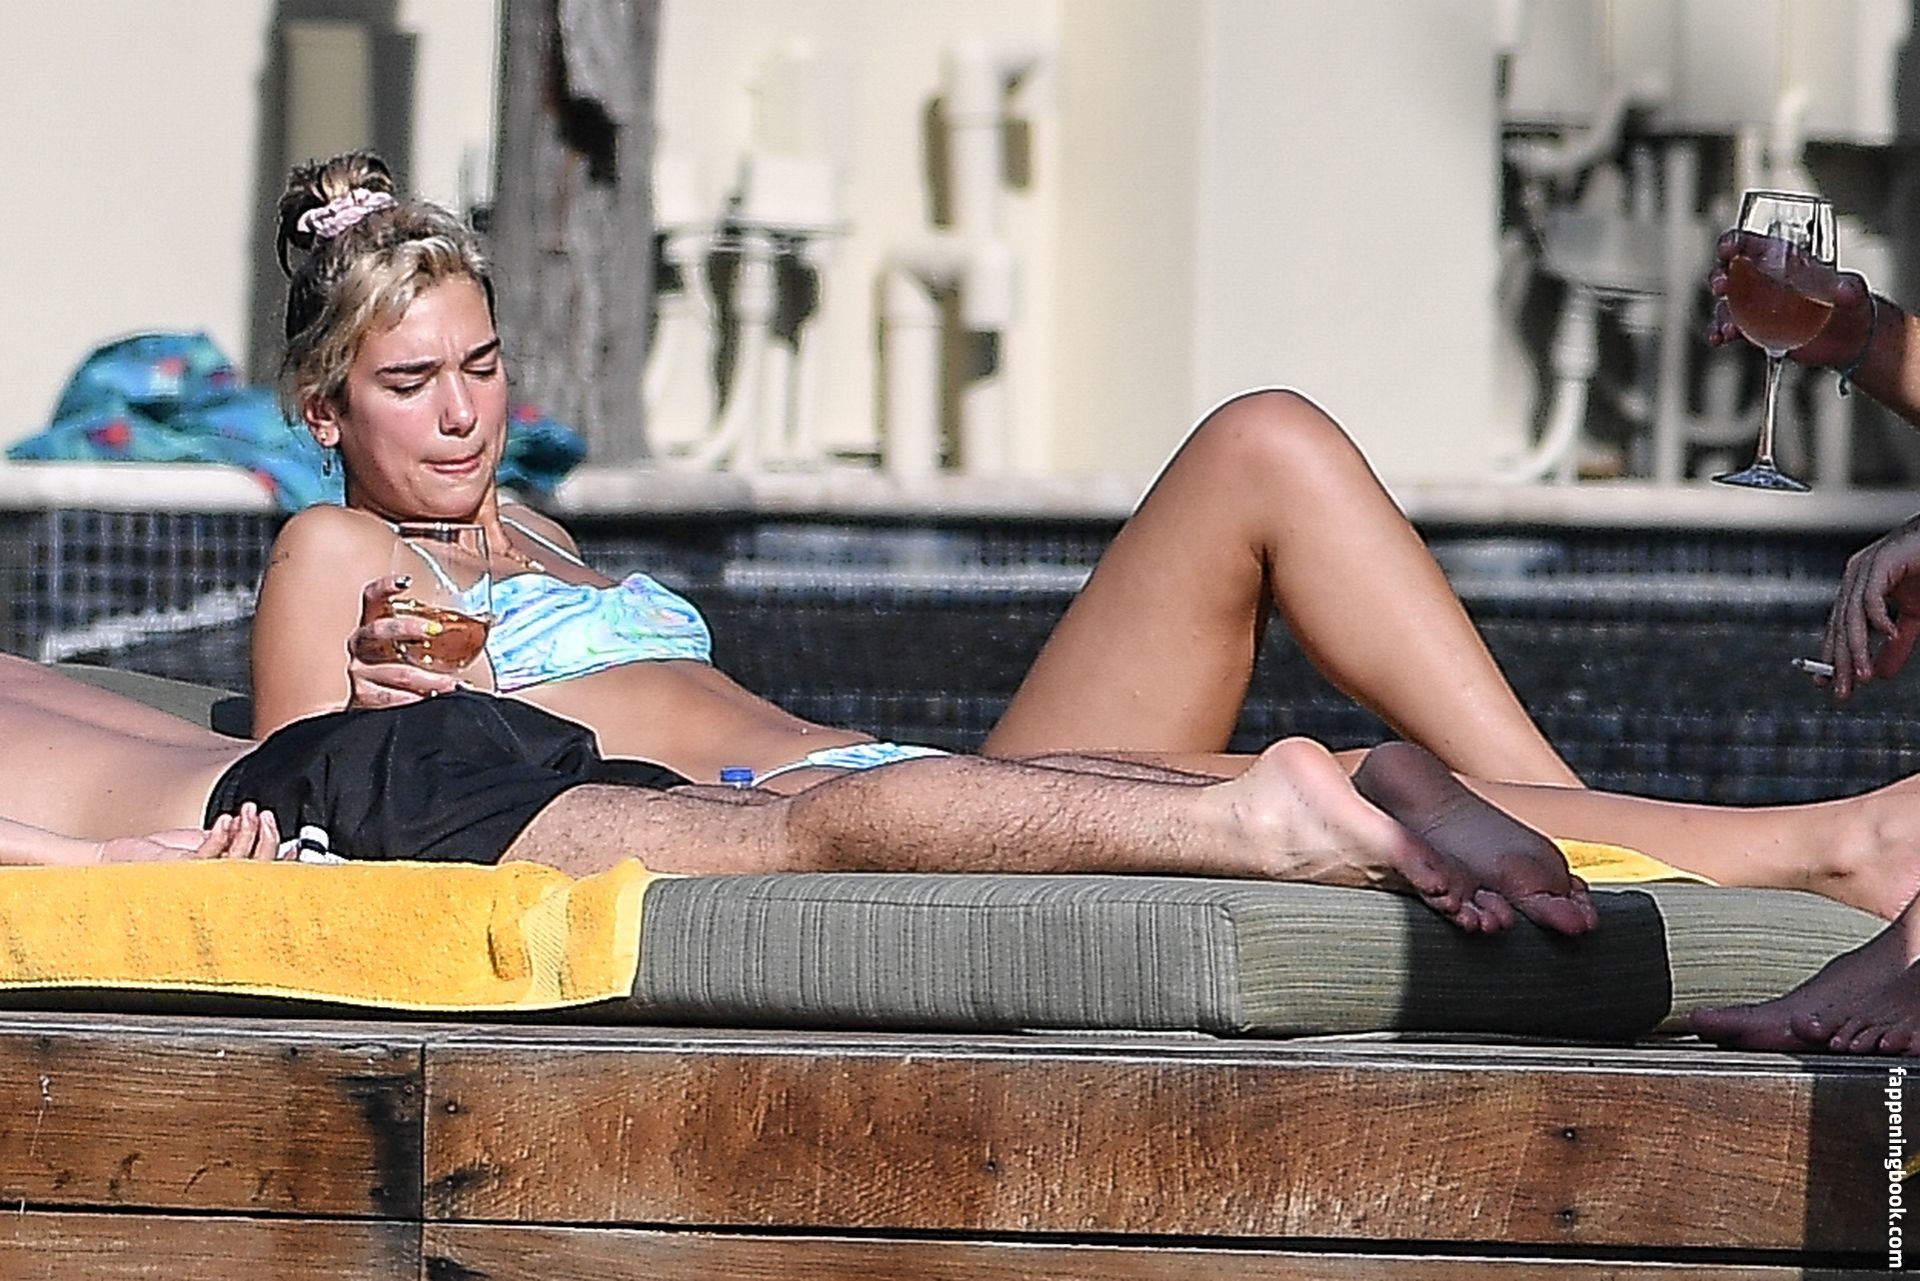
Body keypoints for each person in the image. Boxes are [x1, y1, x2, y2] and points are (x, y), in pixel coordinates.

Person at [247, 152, 1920, 925]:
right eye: (410, 383)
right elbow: (296, 801)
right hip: (804, 832)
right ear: (325, 409)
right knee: (1315, 784)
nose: (462, 414)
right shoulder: (338, 553)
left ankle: (1610, 844)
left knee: (1266, 441)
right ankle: (1824, 847)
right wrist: (378, 698)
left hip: (895, 776)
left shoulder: (533, 529)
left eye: (481, 365)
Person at [0, 651, 1583, 935]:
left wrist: (111, 862)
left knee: (792, 838)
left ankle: (1252, 816)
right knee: (818, 790)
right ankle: (1334, 776)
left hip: (334, 792)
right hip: (398, 756)